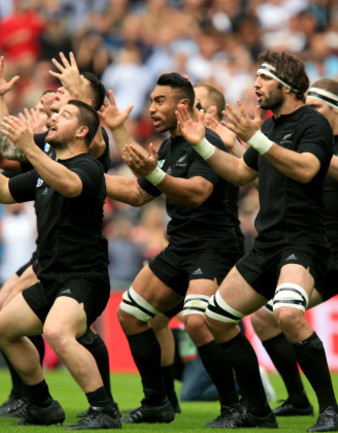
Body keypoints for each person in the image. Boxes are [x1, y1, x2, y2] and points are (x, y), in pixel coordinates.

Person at [176, 50, 338, 431]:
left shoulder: (313, 124)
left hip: (302, 242)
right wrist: (203, 143)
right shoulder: (268, 128)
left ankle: (331, 412)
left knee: (286, 314)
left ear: (285, 84)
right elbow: (239, 172)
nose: (255, 85)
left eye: (263, 79)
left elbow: (307, 169)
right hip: (267, 243)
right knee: (216, 318)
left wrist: (257, 138)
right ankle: (258, 412)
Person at [0, 99, 120, 429]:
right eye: (55, 114)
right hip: (51, 277)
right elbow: (2, 190)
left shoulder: (87, 166)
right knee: (3, 326)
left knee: (56, 331)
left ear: (82, 130)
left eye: (65, 115)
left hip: (84, 278)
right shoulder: (45, 170)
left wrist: (30, 148)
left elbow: (71, 185)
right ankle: (42, 403)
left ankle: (103, 410)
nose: (55, 118)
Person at [248, 77, 338, 419]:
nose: (307, 113)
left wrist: (314, 154)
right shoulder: (304, 138)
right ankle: (298, 398)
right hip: (325, 253)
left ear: (335, 108)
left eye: (315, 107)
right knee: (264, 316)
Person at [103, 72, 246, 427]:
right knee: (130, 314)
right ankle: (157, 402)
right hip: (180, 246)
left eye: (159, 101)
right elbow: (139, 193)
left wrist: (154, 175)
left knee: (198, 321)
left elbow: (197, 191)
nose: (151, 108)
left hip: (213, 248)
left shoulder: (208, 141)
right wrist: (85, 175)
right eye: (151, 100)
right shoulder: (168, 147)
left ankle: (233, 407)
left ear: (183, 105)